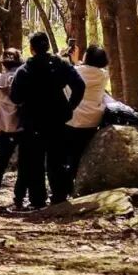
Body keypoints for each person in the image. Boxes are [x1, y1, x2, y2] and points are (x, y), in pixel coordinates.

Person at [10, 31, 86, 208]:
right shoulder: (61, 64)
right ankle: (59, 196)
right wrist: (70, 106)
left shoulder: (24, 70)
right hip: (57, 118)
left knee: (34, 161)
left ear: (31, 49)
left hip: (32, 120)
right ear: (47, 47)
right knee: (57, 159)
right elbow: (79, 85)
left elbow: (15, 97)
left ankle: (37, 200)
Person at [0, 48, 27, 211]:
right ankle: (19, 199)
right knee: (24, 165)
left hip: (4, 128)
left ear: (3, 63)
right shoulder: (25, 77)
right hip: (23, 127)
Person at [66, 45, 109, 194]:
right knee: (81, 153)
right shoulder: (103, 75)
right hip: (92, 120)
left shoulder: (75, 71)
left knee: (69, 154)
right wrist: (76, 61)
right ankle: (79, 184)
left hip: (72, 118)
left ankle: (67, 187)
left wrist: (71, 59)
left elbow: (77, 72)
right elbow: (86, 71)